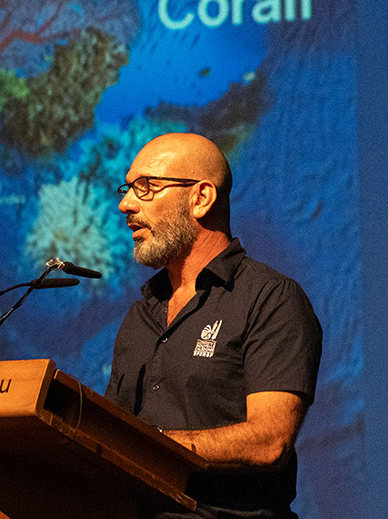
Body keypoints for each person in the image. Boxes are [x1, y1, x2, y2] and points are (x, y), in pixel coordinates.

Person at [106, 132, 322, 519]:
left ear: (201, 198)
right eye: (127, 189)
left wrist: (148, 445)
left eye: (146, 188)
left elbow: (270, 441)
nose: (126, 204)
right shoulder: (140, 315)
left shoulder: (270, 299)